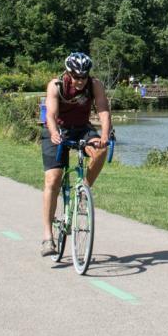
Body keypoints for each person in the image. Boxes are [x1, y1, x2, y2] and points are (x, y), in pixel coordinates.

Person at [41, 52, 112, 257]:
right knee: (53, 179)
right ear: (68, 72)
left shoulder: (94, 84)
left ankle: (84, 190)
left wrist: (105, 135)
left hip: (82, 128)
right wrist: (54, 132)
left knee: (100, 150)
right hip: (58, 130)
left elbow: (103, 110)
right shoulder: (56, 85)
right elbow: (51, 114)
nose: (80, 81)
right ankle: (47, 237)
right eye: (76, 76)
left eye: (83, 76)